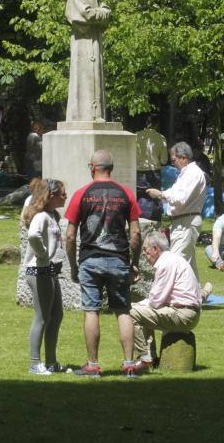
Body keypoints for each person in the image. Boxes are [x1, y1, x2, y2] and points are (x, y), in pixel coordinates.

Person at [65, 150, 142, 378]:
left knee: (91, 311)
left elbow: (69, 236)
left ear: (92, 167)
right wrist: (134, 262)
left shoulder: (81, 194)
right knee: (123, 311)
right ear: (111, 168)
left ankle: (92, 365)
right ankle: (129, 365)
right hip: (118, 259)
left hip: (90, 259)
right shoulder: (126, 193)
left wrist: (73, 265)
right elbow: (136, 233)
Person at [129, 232, 201, 373]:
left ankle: (145, 358)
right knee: (140, 312)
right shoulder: (173, 260)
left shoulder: (166, 264)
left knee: (131, 313)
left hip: (183, 314)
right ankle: (151, 357)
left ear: (156, 249)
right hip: (186, 312)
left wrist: (133, 306)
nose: (144, 254)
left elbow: (156, 301)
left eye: (145, 249)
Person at [20, 179, 67, 375]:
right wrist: (43, 256)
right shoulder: (41, 217)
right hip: (39, 271)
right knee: (42, 317)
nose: (65, 197)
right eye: (62, 194)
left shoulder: (52, 215)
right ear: (51, 196)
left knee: (56, 315)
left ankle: (51, 362)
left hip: (49, 271)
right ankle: (34, 363)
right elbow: (33, 236)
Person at [146, 142, 207, 280]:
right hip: (182, 220)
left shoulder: (192, 173)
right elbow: (174, 192)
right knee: (187, 262)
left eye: (174, 160)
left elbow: (180, 198)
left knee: (175, 262)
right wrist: (160, 194)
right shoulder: (184, 174)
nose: (173, 163)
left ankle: (170, 295)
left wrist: (160, 194)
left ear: (183, 157)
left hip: (186, 221)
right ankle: (196, 293)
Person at [135, 116, 168, 221]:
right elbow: (164, 160)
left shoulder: (136, 136)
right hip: (154, 173)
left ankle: (139, 219)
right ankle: (154, 222)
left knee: (140, 197)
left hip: (138, 173)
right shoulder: (161, 138)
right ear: (157, 124)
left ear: (146, 122)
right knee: (154, 197)